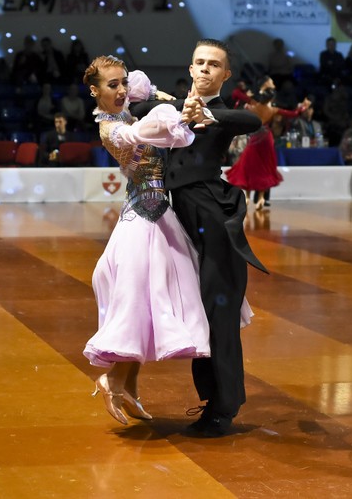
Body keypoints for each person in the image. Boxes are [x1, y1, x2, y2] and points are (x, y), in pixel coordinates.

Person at [135, 39, 267, 437]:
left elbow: (253, 122)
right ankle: (214, 401)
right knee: (199, 318)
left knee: (217, 318)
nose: (206, 69)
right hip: (182, 224)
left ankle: (223, 408)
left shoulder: (223, 114)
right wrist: (179, 108)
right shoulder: (172, 109)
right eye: (199, 63)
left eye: (214, 65)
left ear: (226, 75)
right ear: (190, 69)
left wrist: (207, 112)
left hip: (214, 218)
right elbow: (137, 110)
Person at [82, 55, 211, 425]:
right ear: (94, 91)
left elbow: (146, 89)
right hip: (142, 220)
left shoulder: (126, 108)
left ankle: (130, 387)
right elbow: (151, 131)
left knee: (151, 305)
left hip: (159, 214)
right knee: (139, 301)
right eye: (112, 86)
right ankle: (112, 379)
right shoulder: (111, 130)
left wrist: (158, 94)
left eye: (123, 82)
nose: (122, 90)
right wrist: (176, 113)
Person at [227, 76, 309, 210]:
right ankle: (261, 198)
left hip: (254, 137)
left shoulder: (253, 105)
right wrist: (303, 107)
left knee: (249, 165)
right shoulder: (273, 110)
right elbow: (294, 113)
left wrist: (243, 94)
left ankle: (247, 196)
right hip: (266, 138)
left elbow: (236, 96)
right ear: (271, 98)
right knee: (264, 168)